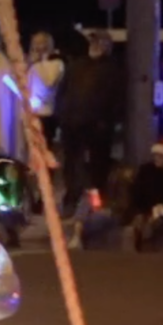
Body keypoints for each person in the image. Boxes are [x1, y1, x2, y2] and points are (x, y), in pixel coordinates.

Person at [55, 30, 126, 213]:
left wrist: (108, 121)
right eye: (94, 41)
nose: (96, 45)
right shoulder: (76, 65)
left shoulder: (113, 69)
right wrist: (62, 115)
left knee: (97, 165)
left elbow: (118, 98)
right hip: (72, 124)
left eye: (101, 42)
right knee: (72, 164)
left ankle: (95, 202)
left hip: (98, 126)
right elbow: (63, 91)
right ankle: (72, 198)